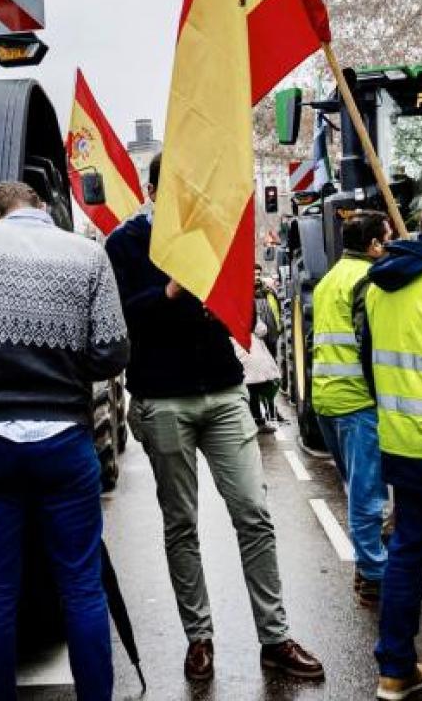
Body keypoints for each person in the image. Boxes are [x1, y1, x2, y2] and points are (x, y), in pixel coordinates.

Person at [105, 154, 324, 683]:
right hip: (163, 398)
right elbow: (119, 314)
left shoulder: (212, 235)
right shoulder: (125, 244)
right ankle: (198, 638)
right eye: (175, 190)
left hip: (224, 391)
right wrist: (168, 293)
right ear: (151, 189)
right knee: (181, 524)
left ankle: (274, 638)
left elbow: (241, 310)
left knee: (253, 511)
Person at [0, 181, 131, 701]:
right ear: (42, 208)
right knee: (82, 587)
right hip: (63, 440)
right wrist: (64, 363)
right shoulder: (86, 255)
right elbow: (112, 353)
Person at [356, 190, 422, 700]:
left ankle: (395, 668)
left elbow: (371, 362)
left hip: (401, 441)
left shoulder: (378, 286)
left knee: (407, 554)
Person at [308, 209, 392, 603]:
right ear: (373, 245)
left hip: (327, 400)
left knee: (356, 489)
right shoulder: (366, 280)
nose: (389, 244)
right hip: (357, 401)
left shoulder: (327, 282)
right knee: (367, 495)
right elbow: (369, 346)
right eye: (386, 238)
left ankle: (367, 564)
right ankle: (375, 575)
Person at [244, 270, 284, 431]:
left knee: (251, 386)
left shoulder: (268, 293)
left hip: (255, 346)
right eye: (253, 273)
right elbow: (260, 328)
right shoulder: (252, 300)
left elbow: (276, 313)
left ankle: (261, 417)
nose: (256, 276)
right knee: (258, 385)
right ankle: (262, 418)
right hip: (254, 348)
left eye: (258, 273)